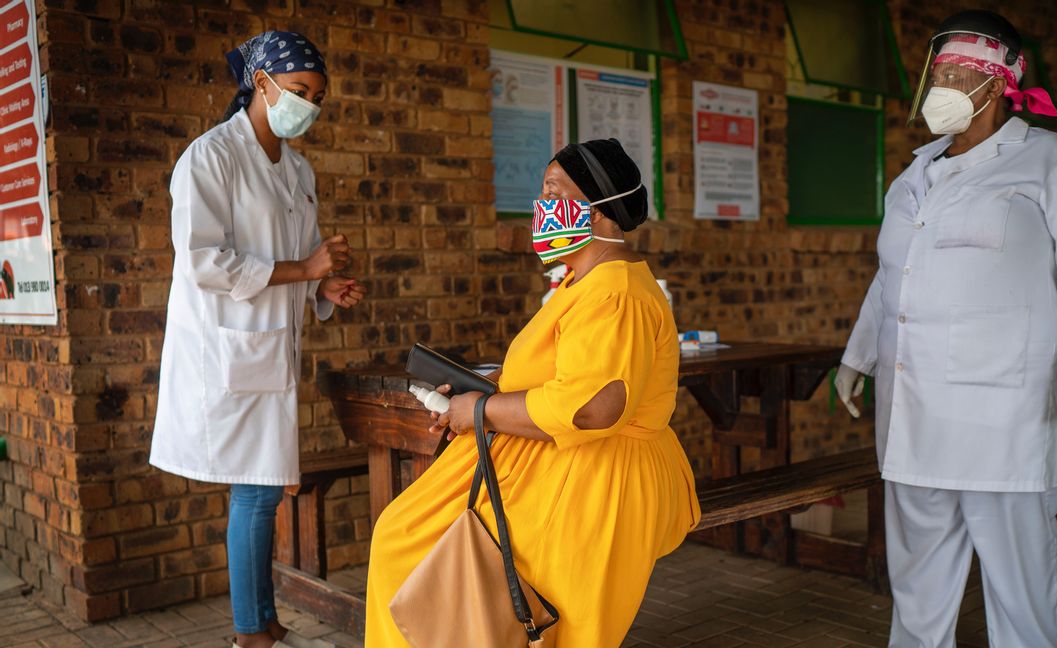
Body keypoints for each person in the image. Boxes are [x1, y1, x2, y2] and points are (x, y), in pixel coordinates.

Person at [834, 11, 1057, 648]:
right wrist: (857, 358)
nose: (941, 84)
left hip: (1008, 419)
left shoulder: (1046, 160)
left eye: (957, 72)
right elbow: (892, 278)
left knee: (1019, 581)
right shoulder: (913, 177)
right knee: (917, 580)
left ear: (996, 84)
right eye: (936, 72)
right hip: (914, 418)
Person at [364, 139, 700, 646]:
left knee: (527, 608)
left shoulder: (615, 294)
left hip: (593, 478)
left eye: (552, 192)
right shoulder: (581, 284)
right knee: (406, 542)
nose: (542, 208)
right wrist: (479, 400)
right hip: (554, 461)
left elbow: (592, 408)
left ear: (600, 206)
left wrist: (482, 408)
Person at [149, 31, 365, 648]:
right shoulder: (209, 157)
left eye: (318, 97)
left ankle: (263, 618)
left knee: (264, 487)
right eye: (299, 91)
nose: (309, 107)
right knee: (257, 489)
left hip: (269, 349)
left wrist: (323, 291)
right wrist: (307, 271)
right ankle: (252, 633)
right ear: (262, 84)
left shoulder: (298, 168)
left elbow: (300, 262)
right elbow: (203, 262)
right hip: (227, 348)